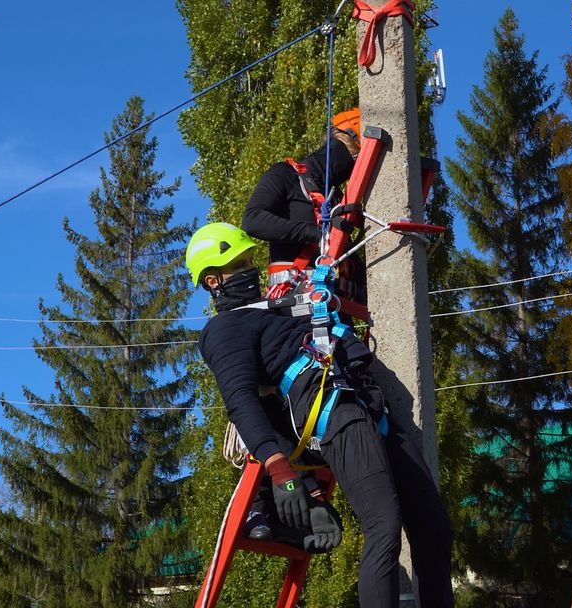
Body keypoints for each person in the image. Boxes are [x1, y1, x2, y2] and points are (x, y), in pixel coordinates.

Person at [188, 222, 453, 608]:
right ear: (214, 282)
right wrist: (279, 470)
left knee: (435, 529)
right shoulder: (224, 330)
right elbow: (241, 400)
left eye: (250, 260)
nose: (251, 270)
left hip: (367, 406)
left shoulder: (276, 308)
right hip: (334, 410)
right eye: (239, 264)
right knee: (384, 524)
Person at [242, 108, 364, 301]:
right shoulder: (285, 175)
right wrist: (315, 233)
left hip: (335, 308)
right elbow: (253, 220)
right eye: (356, 159)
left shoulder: (337, 198)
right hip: (293, 306)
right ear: (343, 143)